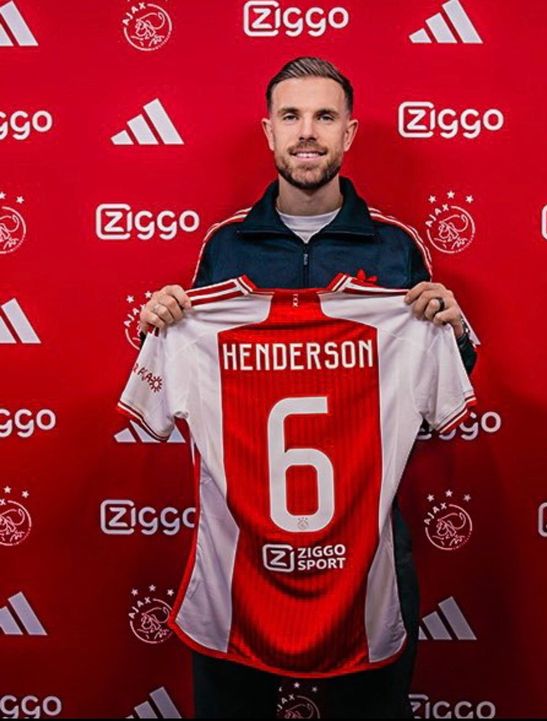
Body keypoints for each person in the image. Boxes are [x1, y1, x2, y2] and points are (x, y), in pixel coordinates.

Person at [138, 57, 477, 719]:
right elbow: (190, 377)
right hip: (243, 542)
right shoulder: (226, 245)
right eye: (291, 116)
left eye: (324, 116)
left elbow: (437, 407)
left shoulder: (394, 246)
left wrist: (452, 328)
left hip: (367, 536)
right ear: (268, 132)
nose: (307, 132)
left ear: (348, 134)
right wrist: (160, 326)